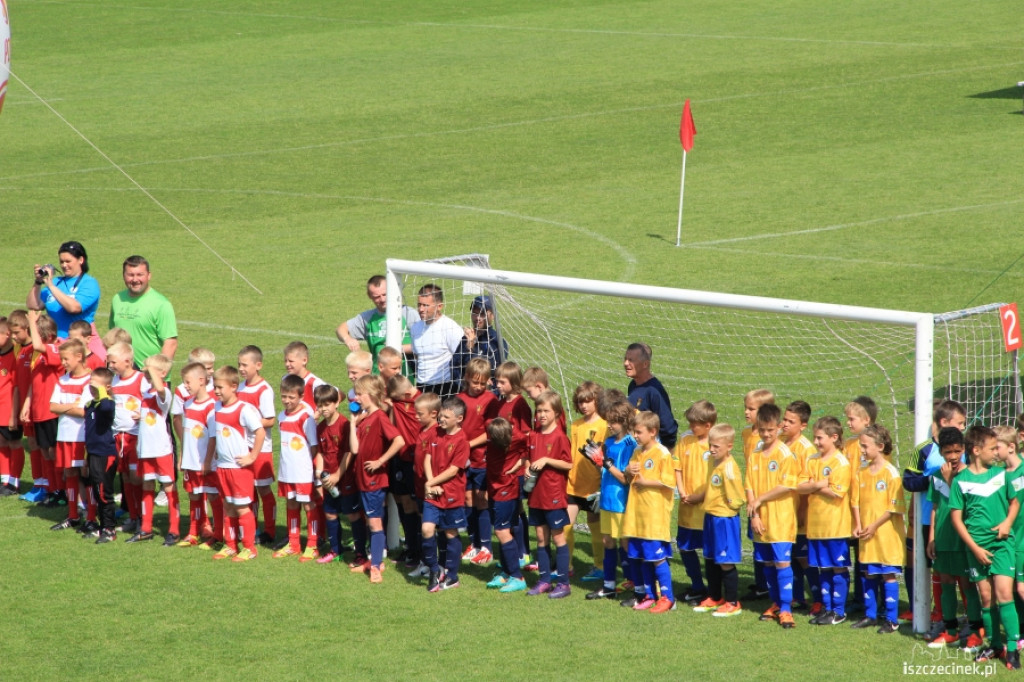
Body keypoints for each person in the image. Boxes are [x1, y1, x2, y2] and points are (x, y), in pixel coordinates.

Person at [951, 425, 1021, 667]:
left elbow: (1014, 504)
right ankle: (994, 645)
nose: (996, 453)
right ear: (976, 450)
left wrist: (1006, 523)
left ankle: (1013, 648)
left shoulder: (1001, 475)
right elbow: (956, 519)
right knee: (986, 597)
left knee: (1004, 594)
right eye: (992, 449)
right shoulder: (960, 480)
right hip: (976, 548)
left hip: (1002, 544)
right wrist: (974, 548)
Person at [926, 427, 982, 650]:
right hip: (944, 539)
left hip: (964, 540)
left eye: (957, 451)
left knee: (967, 583)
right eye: (948, 451)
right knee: (947, 582)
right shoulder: (936, 477)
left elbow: (966, 507)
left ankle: (976, 630)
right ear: (941, 452)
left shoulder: (970, 475)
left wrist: (951, 481)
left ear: (965, 450)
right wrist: (932, 537)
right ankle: (950, 630)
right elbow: (935, 507)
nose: (953, 456)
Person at [205, 365, 266, 562]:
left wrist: (252, 456)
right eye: (215, 387)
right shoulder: (216, 407)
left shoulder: (243, 409)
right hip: (223, 467)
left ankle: (249, 547)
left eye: (220, 387)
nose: (216, 391)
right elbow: (214, 437)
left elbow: (260, 432)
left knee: (241, 508)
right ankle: (230, 545)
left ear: (233, 386)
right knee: (228, 506)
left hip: (239, 468)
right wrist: (209, 461)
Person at [746, 404, 799, 628]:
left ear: (778, 427)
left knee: (782, 562)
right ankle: (775, 602)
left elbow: (786, 486)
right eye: (762, 430)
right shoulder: (755, 453)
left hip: (781, 519)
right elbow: (748, 486)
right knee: (767, 563)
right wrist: (754, 514)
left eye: (770, 430)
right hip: (760, 519)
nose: (766, 434)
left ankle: (787, 609)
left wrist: (759, 500)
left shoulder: (785, 454)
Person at [850, 424, 907, 634]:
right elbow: (855, 501)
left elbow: (895, 508)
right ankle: (870, 615)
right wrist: (858, 524)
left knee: (887, 574)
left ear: (880, 446)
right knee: (868, 573)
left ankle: (891, 619)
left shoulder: (891, 473)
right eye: (860, 446)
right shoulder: (861, 471)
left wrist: (874, 525)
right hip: (866, 533)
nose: (862, 450)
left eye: (865, 446)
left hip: (886, 535)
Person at [349, 375, 406, 583]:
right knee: (369, 521)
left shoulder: (380, 417)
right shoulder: (366, 418)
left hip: (374, 480)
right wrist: (352, 424)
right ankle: (373, 561)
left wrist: (380, 461)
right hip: (362, 479)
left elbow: (399, 441)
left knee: (375, 523)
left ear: (370, 395)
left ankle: (375, 566)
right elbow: (355, 449)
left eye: (359, 394)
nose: (356, 398)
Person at [797, 416, 854, 627]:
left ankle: (839, 611)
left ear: (834, 437)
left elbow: (836, 494)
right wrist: (820, 483)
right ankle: (828, 609)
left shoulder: (840, 462)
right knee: (823, 568)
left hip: (835, 527)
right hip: (816, 527)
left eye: (820, 438)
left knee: (837, 568)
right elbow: (799, 487)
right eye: (815, 438)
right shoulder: (811, 459)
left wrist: (813, 485)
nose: (816, 442)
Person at [621, 410, 678, 613]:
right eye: (633, 432)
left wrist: (646, 482)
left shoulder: (662, 453)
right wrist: (628, 472)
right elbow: (630, 477)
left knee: (656, 557)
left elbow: (669, 483)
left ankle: (668, 597)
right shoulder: (637, 451)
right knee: (642, 557)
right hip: (637, 515)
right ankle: (650, 595)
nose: (635, 436)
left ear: (653, 431)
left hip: (654, 515)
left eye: (638, 432)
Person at [691, 424, 745, 618]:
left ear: (729, 446)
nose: (712, 449)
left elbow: (738, 497)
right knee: (711, 558)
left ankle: (732, 602)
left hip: (725, 519)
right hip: (711, 515)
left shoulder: (729, 468)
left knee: (725, 561)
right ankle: (715, 597)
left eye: (717, 447)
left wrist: (729, 508)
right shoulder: (712, 462)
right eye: (711, 445)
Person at [586, 399, 637, 601]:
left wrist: (606, 464)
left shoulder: (629, 445)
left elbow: (625, 478)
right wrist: (596, 461)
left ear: (624, 421)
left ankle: (632, 581)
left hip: (621, 502)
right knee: (607, 540)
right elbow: (605, 469)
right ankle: (608, 585)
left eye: (613, 422)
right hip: (607, 498)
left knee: (625, 543)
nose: (608, 425)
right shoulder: (608, 442)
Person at [525, 390, 573, 599]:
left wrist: (547, 460)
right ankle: (544, 580)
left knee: (558, 536)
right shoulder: (533, 435)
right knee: (541, 536)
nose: (542, 414)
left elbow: (568, 463)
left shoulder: (560, 437)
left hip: (553, 494)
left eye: (546, 410)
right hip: (536, 495)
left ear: (556, 412)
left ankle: (563, 583)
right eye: (539, 410)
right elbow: (528, 458)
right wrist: (527, 467)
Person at [420, 397, 471, 592]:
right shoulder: (435, 433)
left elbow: (453, 470)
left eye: (446, 417)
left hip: (452, 494)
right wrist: (431, 484)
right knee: (427, 529)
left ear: (459, 419)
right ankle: (434, 570)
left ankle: (452, 576)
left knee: (451, 532)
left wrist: (431, 483)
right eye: (440, 415)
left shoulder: (462, 441)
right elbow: (427, 458)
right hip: (433, 492)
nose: (441, 419)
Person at [129, 354, 178, 545]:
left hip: (161, 449)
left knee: (168, 487)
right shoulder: (147, 392)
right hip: (145, 449)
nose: (146, 374)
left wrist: (150, 369)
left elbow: (160, 389)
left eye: (151, 371)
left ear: (163, 373)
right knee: (147, 485)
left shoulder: (164, 392)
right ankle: (146, 528)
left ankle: (173, 530)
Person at [273, 374, 321, 562]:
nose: (287, 401)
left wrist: (310, 468)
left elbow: (313, 445)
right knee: (291, 504)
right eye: (284, 396)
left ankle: (312, 544)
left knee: (308, 505)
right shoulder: (281, 416)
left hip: (303, 471)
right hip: (287, 471)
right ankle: (293, 543)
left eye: (291, 397)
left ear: (301, 396)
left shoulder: (305, 416)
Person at [457, 357, 499, 565]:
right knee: (468, 500)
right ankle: (474, 544)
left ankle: (486, 547)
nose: (479, 387)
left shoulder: (491, 400)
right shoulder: (459, 399)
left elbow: (490, 432)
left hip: (482, 458)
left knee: (482, 500)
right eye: (475, 382)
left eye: (483, 383)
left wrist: (469, 444)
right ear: (467, 378)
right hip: (464, 460)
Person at [47, 338, 93, 531]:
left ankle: (91, 516)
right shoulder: (63, 379)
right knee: (69, 473)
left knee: (86, 474)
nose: (63, 363)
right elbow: (51, 406)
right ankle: (73, 514)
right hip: (65, 435)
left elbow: (84, 411)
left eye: (65, 359)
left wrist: (62, 408)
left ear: (79, 356)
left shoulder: (91, 381)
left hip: (82, 437)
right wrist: (71, 406)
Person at [674, 400, 717, 604]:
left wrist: (701, 496)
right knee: (685, 547)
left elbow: (718, 476)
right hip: (687, 507)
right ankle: (697, 586)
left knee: (710, 552)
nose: (691, 427)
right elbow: (677, 467)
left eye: (695, 424)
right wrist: (682, 490)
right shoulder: (685, 440)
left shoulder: (716, 444)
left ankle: (714, 590)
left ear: (708, 425)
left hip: (707, 508)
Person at [335, 274, 418, 377]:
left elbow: (424, 345)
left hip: (404, 377)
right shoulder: (367, 318)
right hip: (378, 378)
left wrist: (397, 348)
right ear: (370, 296)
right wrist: (347, 339)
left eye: (385, 294)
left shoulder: (409, 314)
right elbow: (341, 329)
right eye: (377, 297)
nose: (382, 299)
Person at [27, 241, 102, 352]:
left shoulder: (89, 283)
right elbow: (33, 305)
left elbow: (74, 308)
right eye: (61, 262)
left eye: (68, 261)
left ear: (81, 260)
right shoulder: (56, 282)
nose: (64, 265)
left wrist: (51, 286)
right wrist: (38, 282)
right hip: (57, 345)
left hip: (80, 347)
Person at [566, 381, 607, 583]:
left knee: (595, 526)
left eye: (588, 401)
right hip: (573, 484)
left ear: (597, 401)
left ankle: (600, 566)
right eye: (580, 402)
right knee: (565, 525)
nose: (584, 406)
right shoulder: (576, 425)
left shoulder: (604, 426)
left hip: (594, 486)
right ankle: (567, 566)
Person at [237, 345, 277, 546]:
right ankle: (252, 528)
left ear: (258, 365)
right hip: (243, 448)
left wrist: (246, 421)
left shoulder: (263, 389)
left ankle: (270, 531)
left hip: (261, 449)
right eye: (239, 364)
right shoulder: (240, 387)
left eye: (245, 365)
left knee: (263, 490)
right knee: (248, 490)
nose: (241, 368)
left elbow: (270, 420)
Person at [780, 400, 817, 611]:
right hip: (786, 512)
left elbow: (806, 484)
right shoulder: (783, 444)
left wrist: (802, 511)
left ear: (802, 425)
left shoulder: (806, 449)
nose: (784, 424)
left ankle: (818, 598)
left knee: (804, 558)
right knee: (792, 556)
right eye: (784, 419)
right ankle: (797, 597)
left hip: (800, 513)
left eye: (790, 421)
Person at [484, 417, 529, 593]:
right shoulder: (491, 427)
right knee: (504, 530)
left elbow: (532, 446)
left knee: (501, 531)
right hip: (493, 486)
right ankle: (505, 572)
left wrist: (520, 463)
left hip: (507, 488)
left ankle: (518, 577)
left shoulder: (518, 437)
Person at [174, 362, 217, 548]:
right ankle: (193, 532)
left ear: (201, 380)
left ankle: (218, 534)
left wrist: (207, 461)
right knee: (193, 496)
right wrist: (183, 455)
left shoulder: (211, 406)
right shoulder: (188, 403)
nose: (186, 386)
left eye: (188, 382)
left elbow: (214, 438)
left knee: (213, 497)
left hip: (205, 463)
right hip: (191, 461)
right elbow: (187, 433)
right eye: (184, 383)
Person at [108, 255, 178, 363]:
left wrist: (157, 372)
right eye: (130, 275)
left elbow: (170, 343)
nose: (135, 279)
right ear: (123, 276)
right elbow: (112, 337)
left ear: (149, 275)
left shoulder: (161, 304)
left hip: (149, 375)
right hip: (122, 374)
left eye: (140, 275)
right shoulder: (117, 299)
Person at [106, 342, 144, 534]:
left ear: (128, 361)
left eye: (113, 362)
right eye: (109, 361)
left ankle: (143, 519)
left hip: (135, 437)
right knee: (126, 477)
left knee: (137, 478)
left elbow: (153, 403)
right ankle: (133, 516)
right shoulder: (114, 381)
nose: (110, 365)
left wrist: (143, 414)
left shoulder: (141, 380)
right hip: (118, 436)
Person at [387, 374, 424, 569]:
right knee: (403, 502)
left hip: (415, 463)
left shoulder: (422, 404)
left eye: (397, 399)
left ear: (407, 393)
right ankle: (410, 548)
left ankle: (419, 551)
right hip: (400, 459)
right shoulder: (398, 401)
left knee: (416, 507)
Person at [313, 384, 351, 565]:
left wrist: (337, 474)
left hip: (344, 477)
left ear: (337, 403)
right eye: (320, 406)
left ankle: (361, 551)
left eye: (327, 405)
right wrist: (319, 473)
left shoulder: (344, 425)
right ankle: (336, 549)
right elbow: (320, 452)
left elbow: (348, 452)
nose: (323, 409)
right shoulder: (320, 428)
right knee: (330, 513)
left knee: (353, 515)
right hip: (328, 480)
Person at [409, 284, 467, 399]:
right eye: (419, 304)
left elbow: (461, 358)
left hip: (445, 387)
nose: (420, 309)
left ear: (439, 306)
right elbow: (417, 356)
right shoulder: (415, 328)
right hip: (422, 386)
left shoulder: (450, 328)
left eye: (425, 305)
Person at [82, 367, 118, 543]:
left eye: (96, 386)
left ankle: (110, 529)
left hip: (105, 454)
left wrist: (102, 391)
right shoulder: (90, 405)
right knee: (97, 491)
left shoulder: (108, 403)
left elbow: (105, 407)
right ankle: (102, 526)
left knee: (104, 492)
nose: (92, 388)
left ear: (107, 387)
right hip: (93, 453)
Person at [623, 343, 678, 449]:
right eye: (625, 359)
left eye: (631, 360)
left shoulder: (654, 391)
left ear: (645, 364)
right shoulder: (633, 385)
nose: (626, 363)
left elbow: (668, 427)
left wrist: (666, 452)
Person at [457, 295, 508, 374]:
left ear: (492, 315)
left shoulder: (496, 342)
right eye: (475, 313)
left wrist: (470, 348)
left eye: (482, 314)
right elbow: (454, 366)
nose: (477, 317)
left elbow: (484, 373)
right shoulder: (465, 338)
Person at [283, 341, 325, 411]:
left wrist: (318, 412)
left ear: (304, 360)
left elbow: (337, 394)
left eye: (291, 361)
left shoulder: (314, 382)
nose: (287, 364)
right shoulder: (285, 378)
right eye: (285, 361)